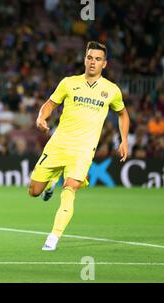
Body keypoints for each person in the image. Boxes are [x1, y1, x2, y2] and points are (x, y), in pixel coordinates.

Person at [28, 41, 130, 251]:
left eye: (98, 59)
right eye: (90, 57)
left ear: (105, 64)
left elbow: (122, 113)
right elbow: (51, 104)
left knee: (70, 188)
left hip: (83, 149)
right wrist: (41, 117)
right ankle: (51, 182)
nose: (93, 62)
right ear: (84, 59)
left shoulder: (111, 90)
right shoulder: (69, 82)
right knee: (33, 191)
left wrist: (124, 139)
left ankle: (53, 238)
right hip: (58, 144)